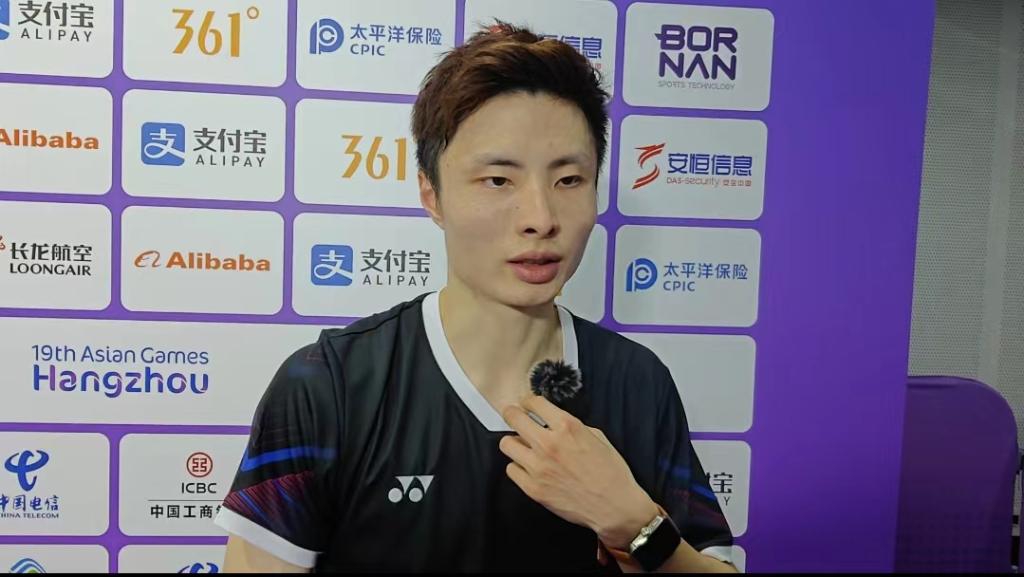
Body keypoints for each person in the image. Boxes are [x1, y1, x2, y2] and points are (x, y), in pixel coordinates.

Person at [214, 22, 736, 573]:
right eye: (498, 181)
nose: (540, 219)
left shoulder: (638, 382)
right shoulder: (330, 387)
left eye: (568, 180)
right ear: (431, 194)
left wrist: (633, 525)